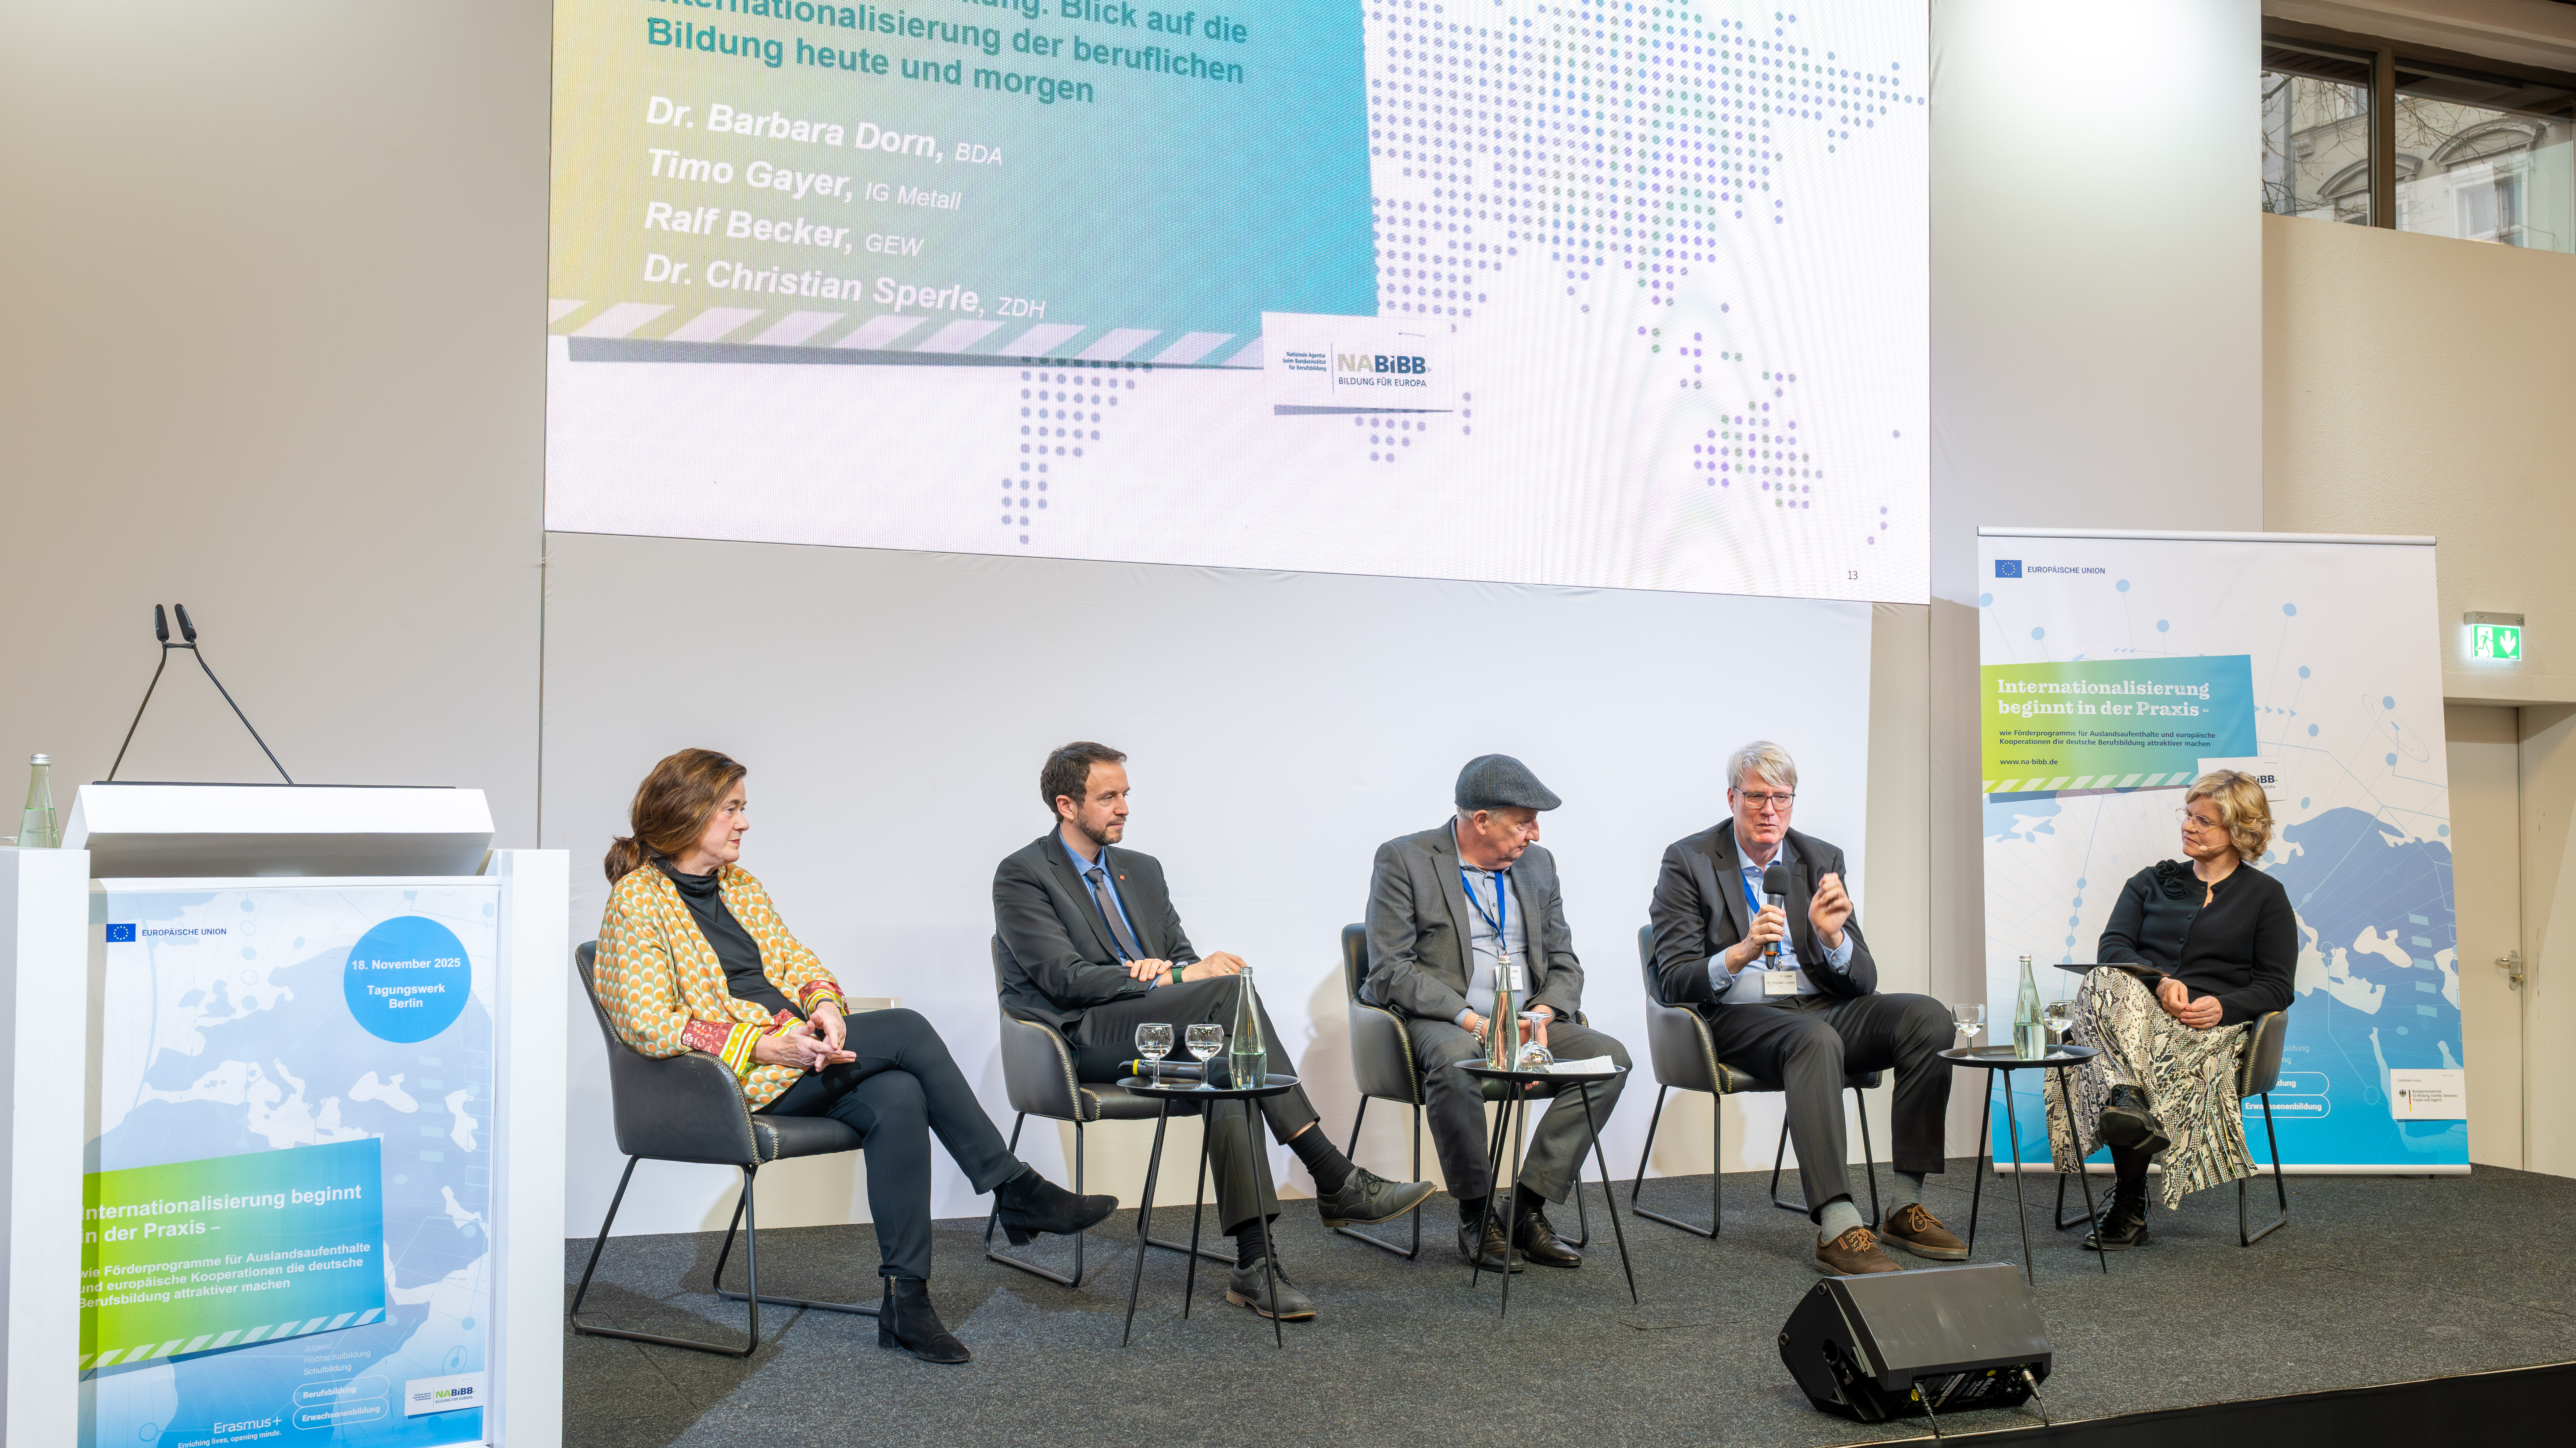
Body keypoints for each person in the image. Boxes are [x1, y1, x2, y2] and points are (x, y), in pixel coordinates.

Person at [593, 748, 1116, 1365]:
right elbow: (648, 1023)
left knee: (899, 1094)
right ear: (688, 812)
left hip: (798, 1056)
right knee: (908, 1029)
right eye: (732, 809)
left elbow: (800, 963)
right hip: (735, 1080)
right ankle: (1013, 1187)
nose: (744, 823)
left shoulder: (741, 887)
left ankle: (907, 1301)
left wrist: (826, 1009)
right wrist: (763, 1044)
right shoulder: (637, 900)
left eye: (743, 808)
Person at [992, 741, 1437, 1321]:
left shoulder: (1142, 871)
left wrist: (1178, 971)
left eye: (1126, 794)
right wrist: (1162, 977)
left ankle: (1255, 1262)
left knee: (1227, 1055)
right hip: (1080, 1038)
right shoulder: (1023, 875)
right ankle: (1331, 1173)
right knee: (1229, 1000)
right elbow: (1062, 979)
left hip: (1156, 1028)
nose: (1124, 807)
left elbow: (1180, 954)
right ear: (1066, 805)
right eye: (1108, 797)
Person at [1646, 741, 1962, 1275]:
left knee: (1927, 1018)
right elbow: (1673, 981)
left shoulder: (1820, 858)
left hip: (1820, 1005)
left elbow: (1865, 980)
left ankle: (1904, 1205)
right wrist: (1740, 953)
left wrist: (1834, 938)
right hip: (1737, 1016)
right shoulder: (1688, 860)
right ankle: (1838, 1226)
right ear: (1731, 797)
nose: (1769, 811)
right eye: (1755, 797)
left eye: (1781, 798)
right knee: (1814, 1040)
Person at [1361, 755, 1632, 1272]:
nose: (1534, 832)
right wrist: (1475, 1022)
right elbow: (1389, 970)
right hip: (1448, 1021)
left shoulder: (1538, 864)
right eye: (1524, 820)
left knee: (1610, 1060)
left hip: (1529, 1021)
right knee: (1457, 1060)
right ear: (1481, 820)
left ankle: (1525, 1209)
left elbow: (1563, 960)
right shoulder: (1406, 859)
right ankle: (1476, 1212)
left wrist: (1546, 1012)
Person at [2046, 770, 2296, 1249]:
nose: (2189, 826)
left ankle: (2128, 1198)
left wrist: (2223, 1005)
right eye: (2188, 815)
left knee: (2118, 1067)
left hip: (2207, 1030)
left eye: (2205, 821)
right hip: (2136, 1022)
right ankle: (2127, 1112)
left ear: (2239, 832)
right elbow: (2113, 946)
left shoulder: (2265, 897)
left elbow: (2276, 986)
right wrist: (2158, 982)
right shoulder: (2150, 882)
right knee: (2103, 980)